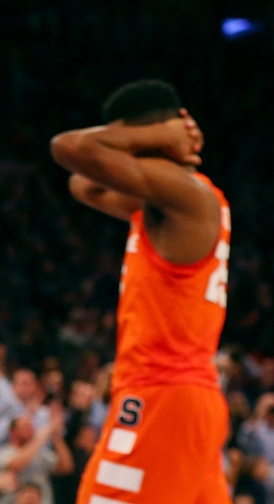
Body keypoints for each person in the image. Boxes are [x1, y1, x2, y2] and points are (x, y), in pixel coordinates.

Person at [51, 80, 231, 504]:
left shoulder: (186, 196)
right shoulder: (162, 201)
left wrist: (158, 138)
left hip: (161, 395)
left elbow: (67, 148)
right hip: (187, 396)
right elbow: (82, 182)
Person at [0, 412, 74, 504]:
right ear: (13, 432)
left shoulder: (40, 452)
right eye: (26, 427)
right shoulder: (2, 453)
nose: (31, 430)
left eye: (31, 426)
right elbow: (16, 464)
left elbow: (66, 467)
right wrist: (45, 432)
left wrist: (57, 437)